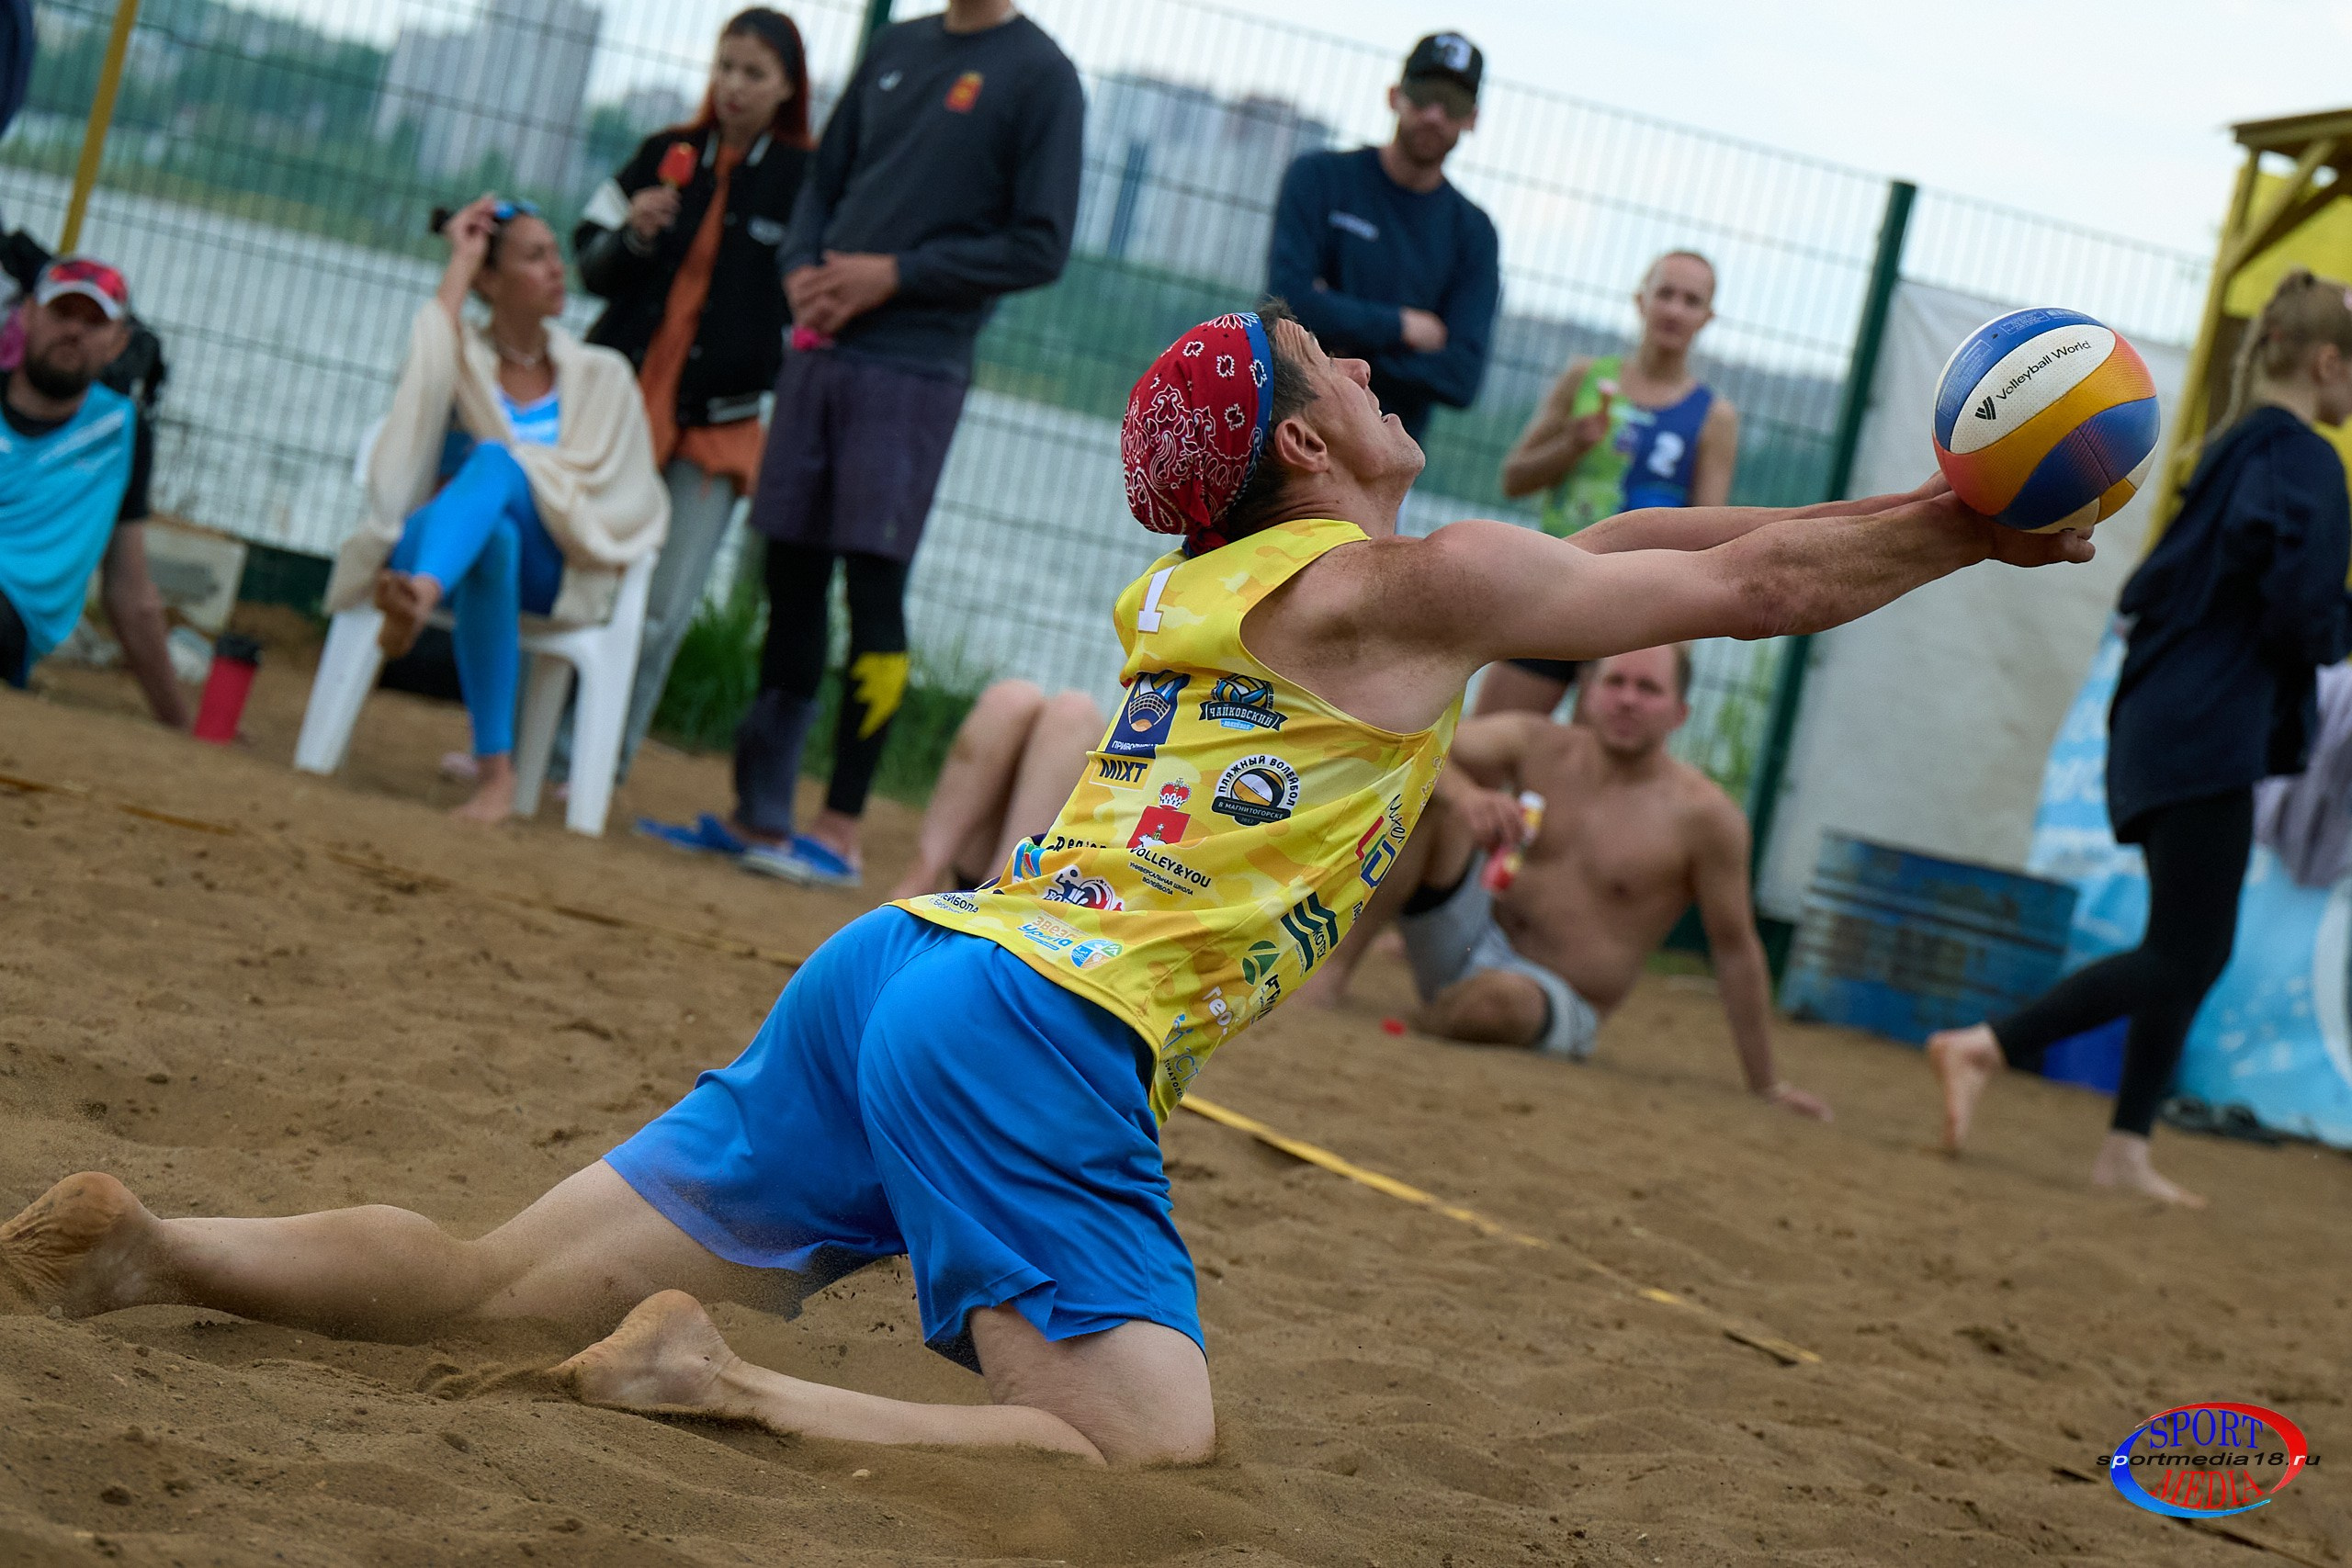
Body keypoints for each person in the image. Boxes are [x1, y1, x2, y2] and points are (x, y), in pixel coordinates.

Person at [2, 306, 2087, 1467]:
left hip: (900, 962)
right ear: (1299, 446)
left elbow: (1697, 536)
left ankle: (155, 1243)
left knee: (476, 1278)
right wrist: (1966, 524)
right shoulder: (1392, 581)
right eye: (1332, 365)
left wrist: (1932, 508)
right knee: (1142, 1458)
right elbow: (1739, 583)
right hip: (1027, 1031)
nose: (1368, 371)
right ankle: (709, 1379)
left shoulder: (1244, 578)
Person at [1929, 269, 2352, 1207]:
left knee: (2185, 941)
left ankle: (2124, 1147)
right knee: (2188, 950)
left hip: (2163, 718)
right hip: (2207, 729)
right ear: (2326, 362)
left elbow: (2169, 594)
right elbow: (2302, 621)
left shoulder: (2228, 450)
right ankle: (1984, 1045)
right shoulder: (2309, 464)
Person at [705, 0, 1083, 888]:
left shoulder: (1042, 75)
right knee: (788, 571)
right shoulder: (898, 45)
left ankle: (838, 826)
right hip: (820, 351)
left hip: (916, 366)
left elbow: (1041, 244)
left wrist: (895, 275)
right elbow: (820, 188)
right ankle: (758, 813)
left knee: (873, 586)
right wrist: (802, 270)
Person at [1297, 648, 1828, 1117]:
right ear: (1588, 692)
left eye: (1648, 689)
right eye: (1615, 682)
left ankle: (1427, 1020)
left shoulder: (1707, 819)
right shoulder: (1536, 741)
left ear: (1680, 712)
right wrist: (1470, 797)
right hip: (1465, 934)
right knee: (1432, 802)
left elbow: (1735, 950)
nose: (1627, 700)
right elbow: (1421, 746)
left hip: (1555, 1000)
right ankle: (1331, 975)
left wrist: (1767, 1084)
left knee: (1499, 1004)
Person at [322, 196, 667, 822]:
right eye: (535, 258)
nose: (558, 270)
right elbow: (421, 376)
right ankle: (496, 778)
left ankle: (417, 600)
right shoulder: (461, 357)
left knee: (496, 468)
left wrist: (525, 473)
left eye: (555, 255)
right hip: (438, 544)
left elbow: (626, 499)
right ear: (490, 280)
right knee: (494, 539)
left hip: (554, 559)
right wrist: (461, 258)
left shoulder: (602, 374)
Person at [560, 8, 812, 784]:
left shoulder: (804, 182)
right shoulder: (661, 154)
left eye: (754, 73)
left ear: (786, 89)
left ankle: (598, 761)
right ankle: (524, 740)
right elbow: (587, 262)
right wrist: (633, 233)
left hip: (720, 423)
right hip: (617, 407)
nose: (734, 87)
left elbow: (809, 299)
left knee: (663, 606)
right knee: (577, 578)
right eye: (725, 66)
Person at [1484, 252, 1740, 718]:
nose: (1674, 310)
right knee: (1481, 750)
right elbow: (1513, 479)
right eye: (1665, 294)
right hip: (1552, 585)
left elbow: (1708, 535)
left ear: (1707, 317)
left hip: (1632, 609)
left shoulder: (1713, 417)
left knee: (1590, 771)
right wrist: (1572, 445)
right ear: (1641, 300)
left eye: (1691, 300)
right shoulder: (1587, 378)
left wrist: (1679, 644)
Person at [1265, 31, 1498, 446]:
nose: (1434, 114)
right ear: (1395, 95)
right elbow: (1286, 306)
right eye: (1424, 94)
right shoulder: (1319, 178)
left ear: (1472, 119)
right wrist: (1404, 327)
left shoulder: (1473, 234)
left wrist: (1331, 340)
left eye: (1454, 104)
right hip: (1284, 426)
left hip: (1379, 457)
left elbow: (1460, 377)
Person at [0, 255, 187, 728]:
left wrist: (180, 723)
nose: (74, 332)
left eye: (94, 321)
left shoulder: (123, 432)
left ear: (118, 342)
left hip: (13, 612)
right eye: (63, 313)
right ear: (27, 315)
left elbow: (129, 591)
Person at [885, 678, 1105, 901]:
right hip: (976, 862)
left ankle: (1000, 890)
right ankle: (918, 883)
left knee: (1073, 713)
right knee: (1009, 699)